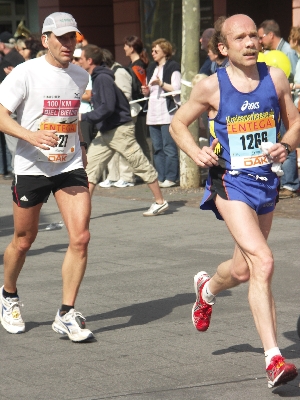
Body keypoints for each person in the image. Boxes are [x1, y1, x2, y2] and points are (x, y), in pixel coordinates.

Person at [170, 14, 300, 388]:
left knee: (243, 271)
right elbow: (178, 124)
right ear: (224, 48)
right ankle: (274, 358)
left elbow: (295, 122)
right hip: (230, 183)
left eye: (253, 35)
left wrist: (286, 145)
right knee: (264, 261)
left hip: (266, 184)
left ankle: (207, 289)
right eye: (239, 38)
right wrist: (195, 153)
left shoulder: (274, 77)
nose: (250, 42)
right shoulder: (212, 87)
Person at [0, 12, 94, 342]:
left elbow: (72, 116)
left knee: (80, 236)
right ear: (45, 40)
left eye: (73, 38)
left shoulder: (81, 76)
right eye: (63, 38)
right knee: (24, 240)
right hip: (31, 167)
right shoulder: (25, 73)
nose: (70, 44)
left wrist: (80, 145)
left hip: (68, 165)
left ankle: (66, 313)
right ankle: (8, 295)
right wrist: (30, 136)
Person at [79, 45, 168, 216]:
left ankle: (160, 202)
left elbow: (108, 107)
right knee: (90, 167)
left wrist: (85, 117)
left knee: (139, 163)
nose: (78, 61)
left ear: (89, 61)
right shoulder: (98, 78)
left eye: (80, 58)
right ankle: (83, 211)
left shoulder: (102, 79)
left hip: (119, 129)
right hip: (106, 131)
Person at [258, 19, 299, 199]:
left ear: (270, 35)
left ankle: (290, 184)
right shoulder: (275, 52)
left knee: (287, 141)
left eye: (260, 37)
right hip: (280, 101)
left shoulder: (288, 52)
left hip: (289, 102)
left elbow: (290, 75)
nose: (259, 41)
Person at [142, 38, 180, 188]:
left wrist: (161, 84)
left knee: (168, 146)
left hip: (167, 112)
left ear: (165, 51)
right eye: (152, 50)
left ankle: (171, 177)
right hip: (152, 113)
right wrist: (145, 91)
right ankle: (160, 176)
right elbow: (149, 90)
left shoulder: (172, 66)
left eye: (156, 51)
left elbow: (176, 88)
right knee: (156, 147)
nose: (153, 53)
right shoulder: (151, 68)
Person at [98, 48, 136, 188]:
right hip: (111, 116)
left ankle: (127, 176)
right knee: (111, 146)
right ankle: (113, 176)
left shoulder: (119, 72)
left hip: (121, 116)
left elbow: (126, 94)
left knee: (124, 147)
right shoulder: (107, 73)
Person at [124, 35, 151, 161]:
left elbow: (140, 87)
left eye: (126, 45)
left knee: (141, 140)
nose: (124, 48)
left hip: (139, 108)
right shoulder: (132, 64)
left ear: (132, 48)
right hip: (134, 107)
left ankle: (147, 169)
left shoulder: (137, 66)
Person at [72, 47, 95, 148]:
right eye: (73, 58)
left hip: (84, 114)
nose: (74, 61)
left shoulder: (85, 75)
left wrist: (73, 94)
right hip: (74, 115)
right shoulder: (72, 74)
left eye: (77, 59)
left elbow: (89, 95)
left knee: (85, 146)